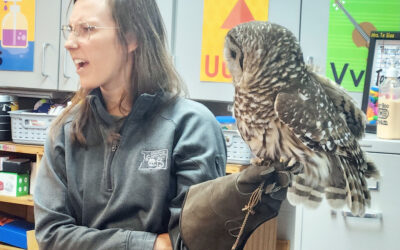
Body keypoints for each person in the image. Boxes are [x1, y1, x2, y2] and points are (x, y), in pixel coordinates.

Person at [33, 0, 227, 249]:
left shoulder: (192, 128)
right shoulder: (65, 130)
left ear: (131, 37)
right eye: (70, 29)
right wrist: (153, 245)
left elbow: (193, 242)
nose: (70, 43)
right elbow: (51, 236)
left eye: (87, 29)